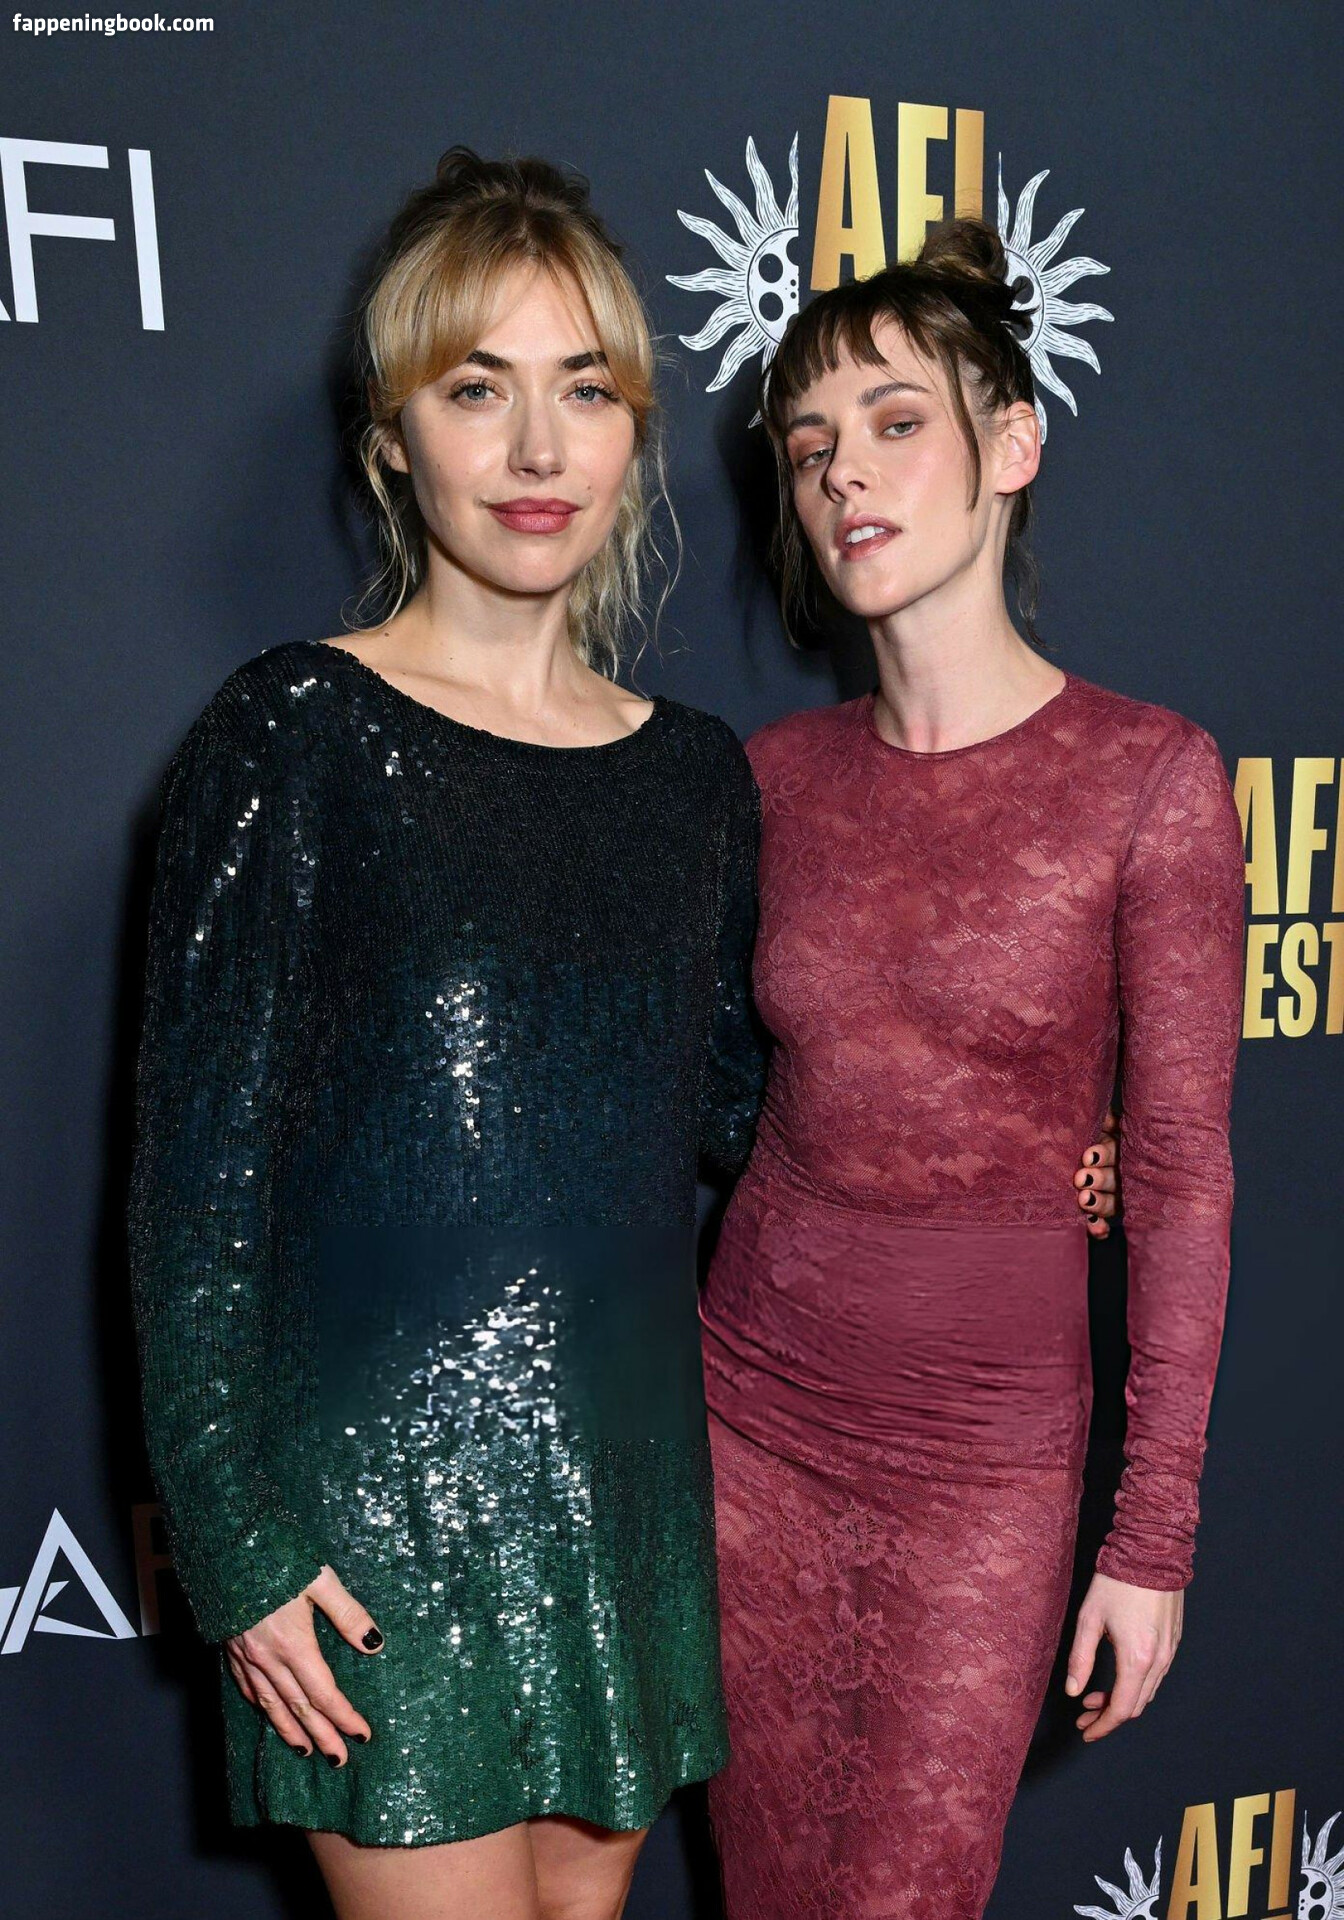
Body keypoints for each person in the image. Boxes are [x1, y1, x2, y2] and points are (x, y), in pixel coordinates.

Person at [126, 150, 1117, 1920]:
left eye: (584, 391)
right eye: (476, 389)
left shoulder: (693, 781)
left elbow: (750, 1108)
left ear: (633, 434)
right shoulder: (298, 735)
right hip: (380, 1524)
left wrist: (1018, 1139)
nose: (536, 449)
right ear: (393, 437)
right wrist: (235, 1545)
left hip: (633, 1502)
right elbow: (195, 1193)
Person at [698, 218, 1246, 1920]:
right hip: (743, 1415)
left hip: (984, 1454)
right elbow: (712, 1096)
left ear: (1013, 444)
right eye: (810, 447)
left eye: (893, 423)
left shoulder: (1150, 780)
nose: (844, 475)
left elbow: (1184, 1179)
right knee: (764, 1888)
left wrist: (1150, 1537)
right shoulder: (767, 781)